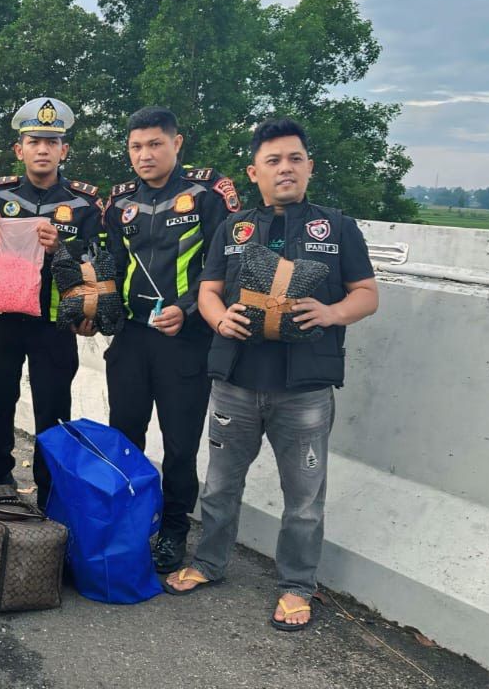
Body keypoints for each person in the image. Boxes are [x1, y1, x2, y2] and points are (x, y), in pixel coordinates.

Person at [163, 118, 379, 633]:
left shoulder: (338, 227)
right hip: (235, 381)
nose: (285, 169)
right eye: (274, 161)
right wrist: (218, 318)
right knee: (218, 485)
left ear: (309, 167)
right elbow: (209, 289)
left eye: (295, 159)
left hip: (304, 389)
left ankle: (297, 585)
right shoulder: (232, 228)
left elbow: (367, 293)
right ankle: (210, 564)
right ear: (253, 172)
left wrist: (332, 314)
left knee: (303, 497)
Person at [102, 106, 239, 573]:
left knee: (180, 444)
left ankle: (174, 529)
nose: (145, 155)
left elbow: (225, 266)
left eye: (155, 144)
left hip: (186, 338)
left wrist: (186, 308)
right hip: (131, 339)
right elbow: (109, 266)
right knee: (125, 436)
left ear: (176, 144)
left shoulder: (208, 193)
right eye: (136, 147)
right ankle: (129, 519)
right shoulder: (118, 202)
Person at [0, 97, 102, 508]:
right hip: (4, 319)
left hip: (54, 323)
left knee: (53, 410)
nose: (43, 149)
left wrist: (61, 249)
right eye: (34, 141)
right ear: (20, 149)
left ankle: (51, 492)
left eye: (52, 141)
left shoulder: (85, 203)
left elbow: (97, 263)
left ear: (64, 150)